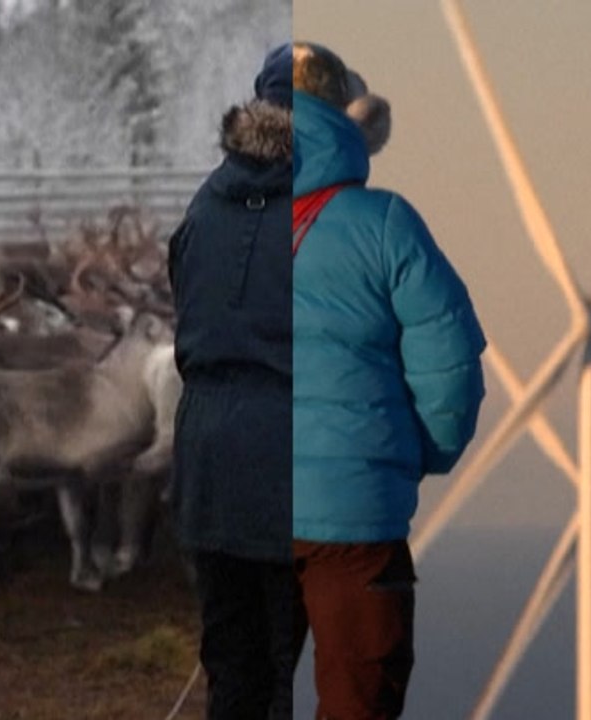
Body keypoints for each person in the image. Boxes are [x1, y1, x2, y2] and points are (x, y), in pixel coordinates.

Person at [292, 41, 487, 719]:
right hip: (356, 518)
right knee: (358, 700)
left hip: (237, 509)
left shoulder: (215, 221)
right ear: (346, 117)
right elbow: (451, 363)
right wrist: (415, 454)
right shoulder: (385, 224)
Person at [167, 44, 295, 719]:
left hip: (206, 466)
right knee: (292, 667)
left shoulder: (203, 205)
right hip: (289, 466)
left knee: (231, 663)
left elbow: (186, 308)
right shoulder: (326, 215)